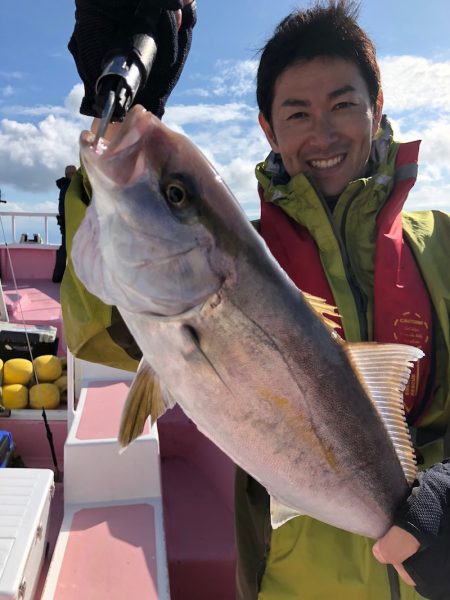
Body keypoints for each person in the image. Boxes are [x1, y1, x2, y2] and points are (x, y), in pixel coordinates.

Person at [63, 1, 450, 598]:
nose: (322, 133)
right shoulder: (245, 255)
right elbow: (102, 321)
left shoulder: (443, 246)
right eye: (296, 112)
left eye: (343, 104)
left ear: (378, 109)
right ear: (267, 127)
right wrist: (113, 116)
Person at [52, 164, 77, 283]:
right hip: (70, 223)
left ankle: (58, 277)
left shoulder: (64, 187)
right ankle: (69, 277)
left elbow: (62, 208)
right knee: (70, 249)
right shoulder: (70, 187)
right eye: (73, 173)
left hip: (66, 222)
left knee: (65, 249)